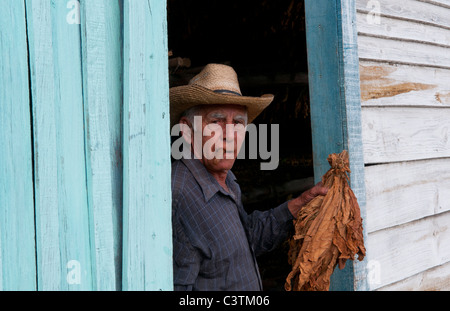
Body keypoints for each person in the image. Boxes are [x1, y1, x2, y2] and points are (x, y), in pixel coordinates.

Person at [170, 63, 328, 290]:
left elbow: (244, 239)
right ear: (186, 130)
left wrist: (297, 206)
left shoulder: (227, 181)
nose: (229, 135)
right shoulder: (180, 195)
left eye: (238, 123)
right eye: (216, 121)